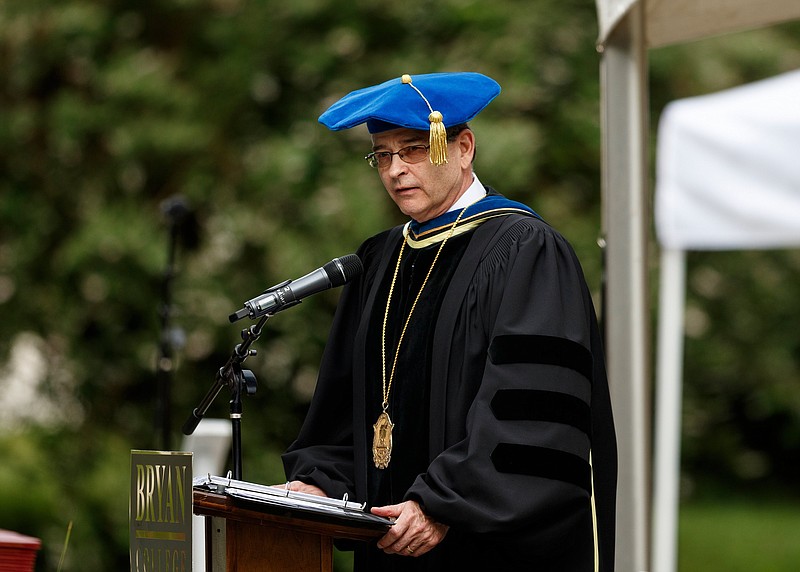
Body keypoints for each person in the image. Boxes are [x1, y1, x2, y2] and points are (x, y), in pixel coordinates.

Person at [281, 72, 617, 571]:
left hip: (487, 553)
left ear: (463, 148)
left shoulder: (526, 249)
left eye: (414, 149)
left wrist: (441, 501)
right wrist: (320, 480)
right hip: (390, 542)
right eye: (383, 154)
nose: (396, 169)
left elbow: (530, 417)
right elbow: (344, 405)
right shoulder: (379, 260)